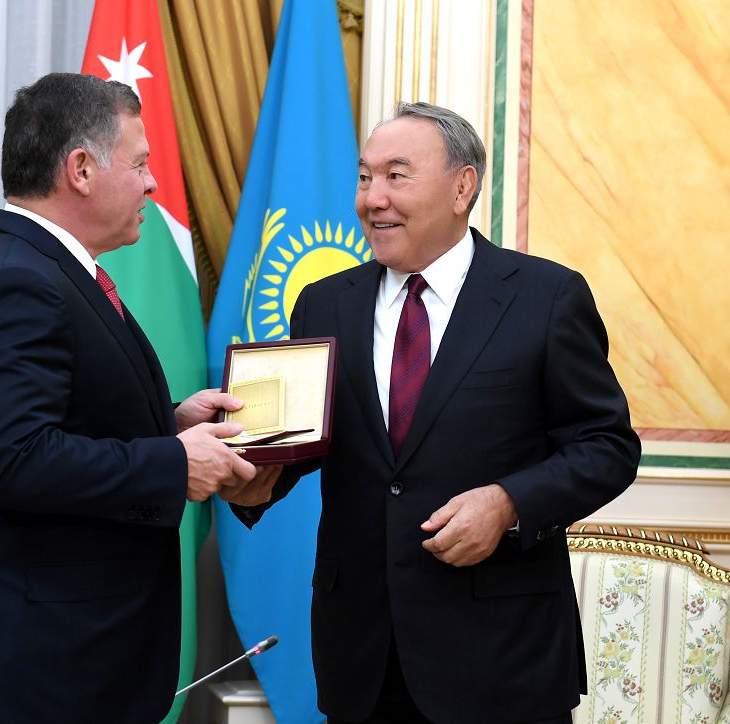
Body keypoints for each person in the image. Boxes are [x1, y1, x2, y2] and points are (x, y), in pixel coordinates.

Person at [233, 103, 641, 723]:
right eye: (365, 177)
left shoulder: (546, 298)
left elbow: (607, 446)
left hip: (501, 655)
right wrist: (253, 476)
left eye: (396, 176)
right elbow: (310, 441)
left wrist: (507, 503)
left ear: (462, 187)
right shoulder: (324, 304)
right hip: (362, 657)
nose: (373, 198)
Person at [0, 73, 268, 724]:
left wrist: (169, 424)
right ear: (80, 169)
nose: (152, 184)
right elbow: (14, 459)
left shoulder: (49, 270)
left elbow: (64, 418)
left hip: (68, 661)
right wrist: (173, 463)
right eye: (140, 164)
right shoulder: (20, 282)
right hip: (31, 672)